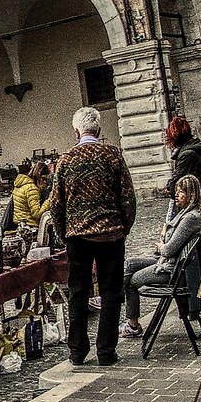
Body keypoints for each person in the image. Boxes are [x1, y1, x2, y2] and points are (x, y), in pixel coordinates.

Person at [51, 105, 137, 366]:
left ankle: (77, 351)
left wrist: (63, 232)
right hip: (110, 235)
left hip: (77, 237)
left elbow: (56, 204)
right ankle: (106, 352)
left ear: (76, 130)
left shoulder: (66, 160)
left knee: (78, 291)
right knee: (111, 291)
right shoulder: (113, 155)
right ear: (98, 130)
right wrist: (124, 227)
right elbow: (128, 198)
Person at [123, 174, 201, 338]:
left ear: (191, 195)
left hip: (172, 270)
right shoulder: (184, 214)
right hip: (167, 262)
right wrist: (163, 241)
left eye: (181, 192)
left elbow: (167, 250)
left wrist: (162, 244)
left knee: (132, 282)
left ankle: (132, 325)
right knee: (129, 264)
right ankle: (111, 296)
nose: (176, 194)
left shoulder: (190, 218)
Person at [166, 118, 201, 203]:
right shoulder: (190, 150)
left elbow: (177, 180)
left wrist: (170, 188)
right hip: (199, 200)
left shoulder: (187, 154)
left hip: (197, 202)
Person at [12, 161, 45, 231]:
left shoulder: (20, 185)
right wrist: (49, 201)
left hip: (20, 225)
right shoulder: (31, 188)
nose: (45, 184)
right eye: (45, 180)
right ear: (40, 177)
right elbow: (37, 214)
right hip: (31, 226)